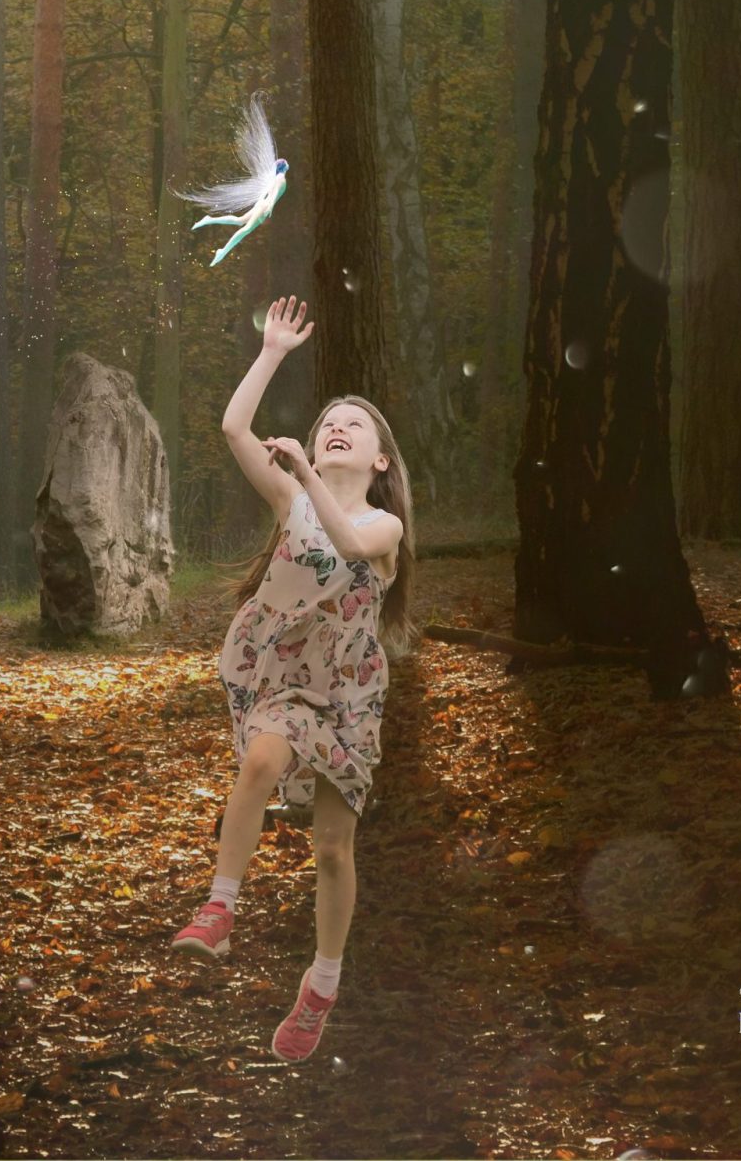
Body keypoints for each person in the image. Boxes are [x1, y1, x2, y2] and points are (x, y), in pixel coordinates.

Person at [171, 294, 419, 1064]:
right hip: (281, 672)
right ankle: (218, 911)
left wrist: (307, 468)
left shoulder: (384, 525)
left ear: (379, 460)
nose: (335, 427)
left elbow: (346, 543)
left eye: (354, 426)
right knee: (261, 761)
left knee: (334, 850)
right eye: (325, 424)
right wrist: (273, 351)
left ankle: (321, 986)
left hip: (348, 693)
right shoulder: (290, 498)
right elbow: (233, 429)